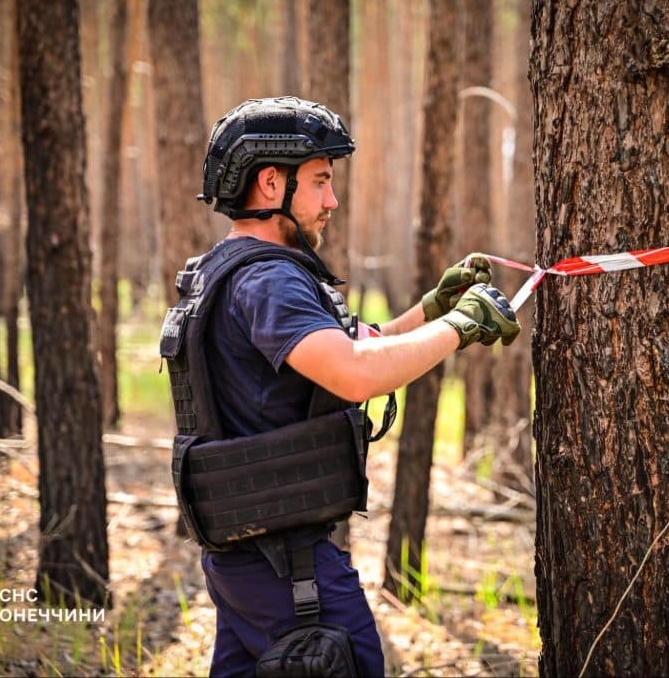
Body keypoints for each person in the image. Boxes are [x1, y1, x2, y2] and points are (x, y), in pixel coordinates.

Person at [162, 96, 520, 677]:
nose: (332, 200)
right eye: (321, 181)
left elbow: (353, 346)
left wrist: (433, 309)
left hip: (247, 565)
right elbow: (352, 371)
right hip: (291, 573)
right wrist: (460, 328)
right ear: (271, 181)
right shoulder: (269, 278)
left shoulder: (227, 268)